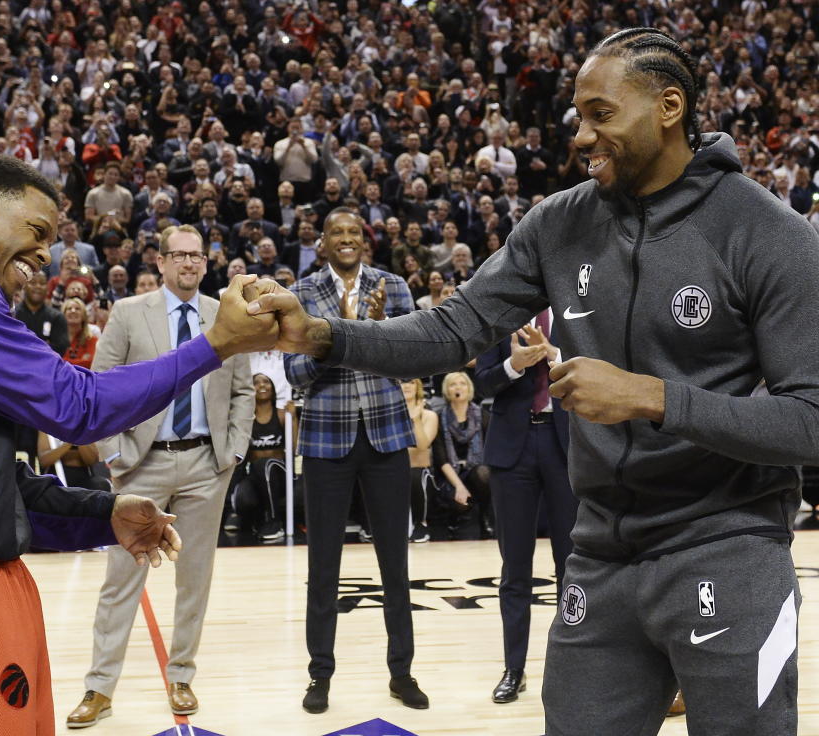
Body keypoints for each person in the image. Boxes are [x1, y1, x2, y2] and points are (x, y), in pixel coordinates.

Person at [251, 29, 818, 736]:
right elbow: (453, 328)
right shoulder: (560, 223)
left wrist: (652, 397)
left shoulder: (768, 232)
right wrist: (324, 335)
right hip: (601, 553)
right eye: (577, 116)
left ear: (669, 107)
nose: (581, 135)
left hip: (727, 550)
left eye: (601, 114)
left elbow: (811, 421)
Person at [0, 154, 278, 736]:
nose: (44, 255)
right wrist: (217, 344)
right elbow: (79, 407)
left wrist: (105, 515)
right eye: (36, 232)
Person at [68, 224, 254, 728]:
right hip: (140, 465)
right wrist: (111, 453)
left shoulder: (225, 315)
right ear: (161, 263)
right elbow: (99, 386)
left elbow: (242, 390)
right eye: (179, 255)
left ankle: (182, 675)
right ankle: (99, 688)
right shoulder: (130, 313)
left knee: (195, 579)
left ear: (205, 263)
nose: (189, 263)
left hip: (205, 465)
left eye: (197, 256)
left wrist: (232, 452)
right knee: (120, 580)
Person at [283, 207, 428, 715]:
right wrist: (345, 330)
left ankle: (402, 672)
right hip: (326, 442)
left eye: (353, 233)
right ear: (321, 242)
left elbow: (412, 360)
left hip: (386, 436)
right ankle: (320, 674)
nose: (345, 239)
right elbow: (296, 371)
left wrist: (381, 329)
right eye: (335, 232)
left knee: (396, 563)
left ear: (364, 241)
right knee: (323, 567)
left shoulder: (394, 287)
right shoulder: (301, 293)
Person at [474, 314, 577, 704]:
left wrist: (555, 356)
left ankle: (570, 669)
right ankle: (513, 669)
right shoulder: (502, 312)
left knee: (572, 567)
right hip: (512, 448)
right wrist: (513, 365)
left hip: (566, 445)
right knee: (514, 569)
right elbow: (482, 380)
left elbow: (601, 365)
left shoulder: (575, 306)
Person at [228, 373, 298, 541]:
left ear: (273, 389)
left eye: (266, 382)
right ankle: (256, 520)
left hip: (280, 471)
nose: (261, 385)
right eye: (256, 383)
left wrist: (293, 418)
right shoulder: (246, 419)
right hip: (255, 474)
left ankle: (274, 521)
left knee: (265, 465)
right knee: (244, 497)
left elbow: (293, 448)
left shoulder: (282, 414)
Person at [433, 371, 492, 539]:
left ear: (469, 389)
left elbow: (490, 450)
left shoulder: (483, 416)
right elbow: (441, 459)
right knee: (457, 500)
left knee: (483, 474)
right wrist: (459, 486)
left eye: (462, 383)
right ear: (447, 390)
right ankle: (455, 519)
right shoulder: (439, 418)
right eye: (453, 384)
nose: (458, 387)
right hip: (450, 473)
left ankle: (485, 516)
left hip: (475, 470)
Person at [401, 377, 438, 543]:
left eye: (411, 381)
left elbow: (422, 445)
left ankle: (420, 524)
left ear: (418, 386)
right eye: (402, 382)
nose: (406, 385)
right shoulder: (389, 413)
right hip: (394, 468)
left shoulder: (429, 415)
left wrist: (415, 419)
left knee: (416, 475)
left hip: (420, 471)